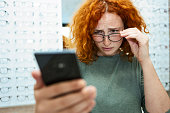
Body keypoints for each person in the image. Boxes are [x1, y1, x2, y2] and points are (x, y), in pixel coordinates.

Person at [32, 0, 170, 113]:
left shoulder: (136, 64)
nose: (106, 42)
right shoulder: (74, 65)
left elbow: (161, 111)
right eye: (98, 32)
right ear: (88, 33)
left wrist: (145, 60)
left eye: (114, 31)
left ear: (126, 29)